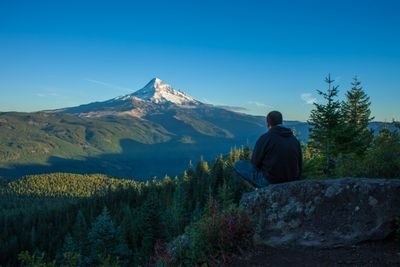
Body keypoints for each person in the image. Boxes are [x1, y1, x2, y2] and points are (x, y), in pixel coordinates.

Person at [234, 111, 302, 187]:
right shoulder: (294, 140)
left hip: (271, 181)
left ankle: (258, 191)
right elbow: (299, 164)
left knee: (238, 165)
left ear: (268, 123)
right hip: (292, 181)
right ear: (281, 122)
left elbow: (255, 163)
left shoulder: (265, 138)